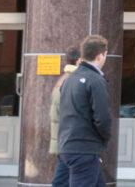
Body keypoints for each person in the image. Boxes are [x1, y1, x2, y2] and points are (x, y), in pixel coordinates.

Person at [57, 35, 110, 187]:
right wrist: (104, 140)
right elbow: (103, 118)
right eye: (105, 55)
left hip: (68, 147)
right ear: (100, 56)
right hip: (84, 150)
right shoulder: (95, 80)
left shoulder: (69, 79)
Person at [50, 46, 81, 187]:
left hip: (64, 139)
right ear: (79, 61)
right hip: (69, 141)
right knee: (61, 181)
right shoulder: (73, 81)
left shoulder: (64, 79)